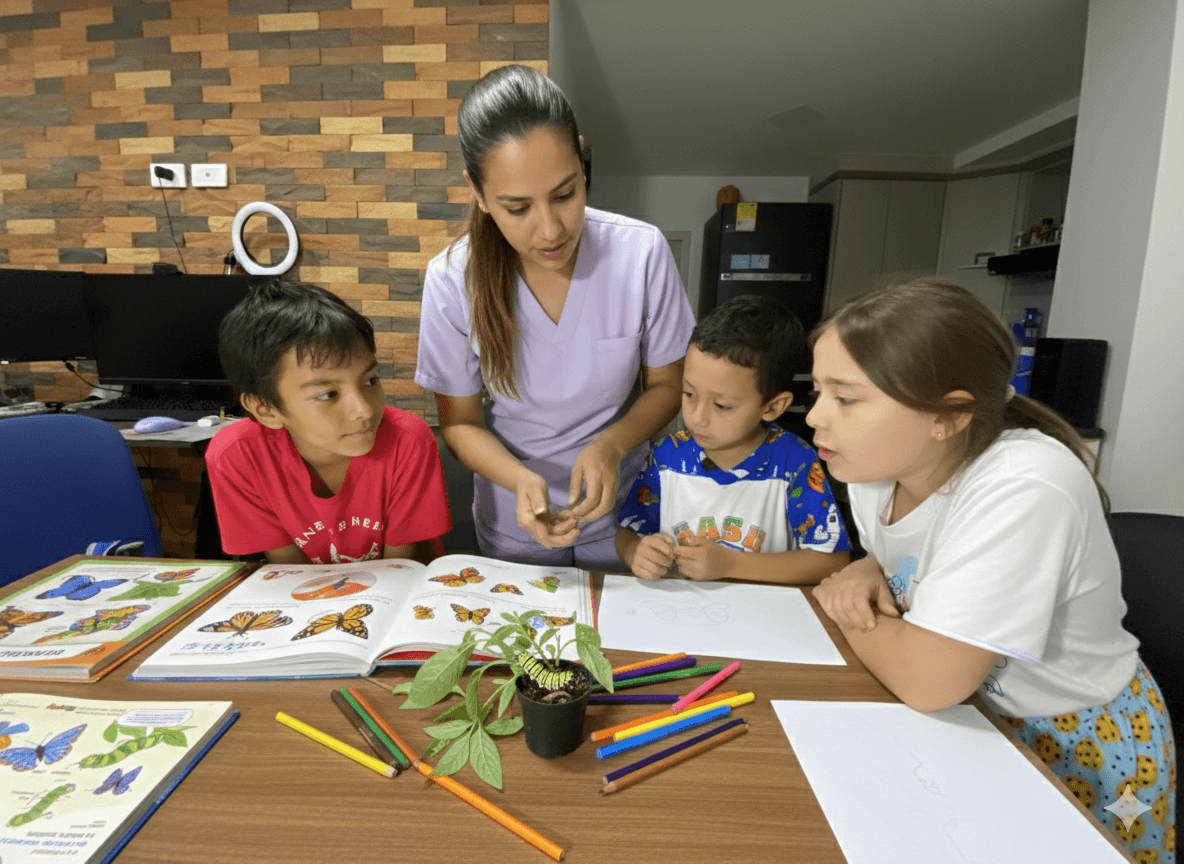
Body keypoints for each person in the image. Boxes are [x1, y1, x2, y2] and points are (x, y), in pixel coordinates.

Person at [807, 277, 1174, 862]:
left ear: (949, 416)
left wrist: (852, 616)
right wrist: (865, 570)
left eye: (846, 399)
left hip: (1066, 736)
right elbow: (923, 542)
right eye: (820, 389)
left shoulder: (1025, 484)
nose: (815, 417)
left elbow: (930, 681)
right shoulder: (872, 466)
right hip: (969, 715)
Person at [415, 64, 695, 571]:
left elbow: (668, 387)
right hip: (515, 519)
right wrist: (521, 480)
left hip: (626, 517)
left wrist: (612, 445)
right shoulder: (453, 279)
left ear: (583, 164)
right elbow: (459, 424)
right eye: (517, 208)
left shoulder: (641, 252)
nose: (549, 230)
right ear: (477, 193)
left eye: (565, 195)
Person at [207, 278, 451, 565]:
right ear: (266, 410)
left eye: (370, 380)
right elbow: (290, 572)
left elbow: (399, 571)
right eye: (327, 394)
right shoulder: (236, 455)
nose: (364, 410)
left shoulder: (407, 441)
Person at [616, 294, 851, 583]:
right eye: (689, 394)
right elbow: (629, 533)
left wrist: (730, 565)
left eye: (722, 406)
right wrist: (635, 552)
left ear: (773, 407)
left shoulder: (794, 461)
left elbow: (832, 561)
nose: (697, 417)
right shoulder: (668, 456)